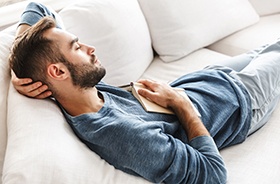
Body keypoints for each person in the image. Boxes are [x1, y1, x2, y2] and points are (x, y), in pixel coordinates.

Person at [9, 2, 280, 184]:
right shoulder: (119, 133)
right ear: (58, 72)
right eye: (77, 47)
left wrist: (17, 67)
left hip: (209, 79)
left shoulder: (82, 90)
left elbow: (37, 7)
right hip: (242, 101)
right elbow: (213, 175)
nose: (90, 48)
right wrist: (183, 105)